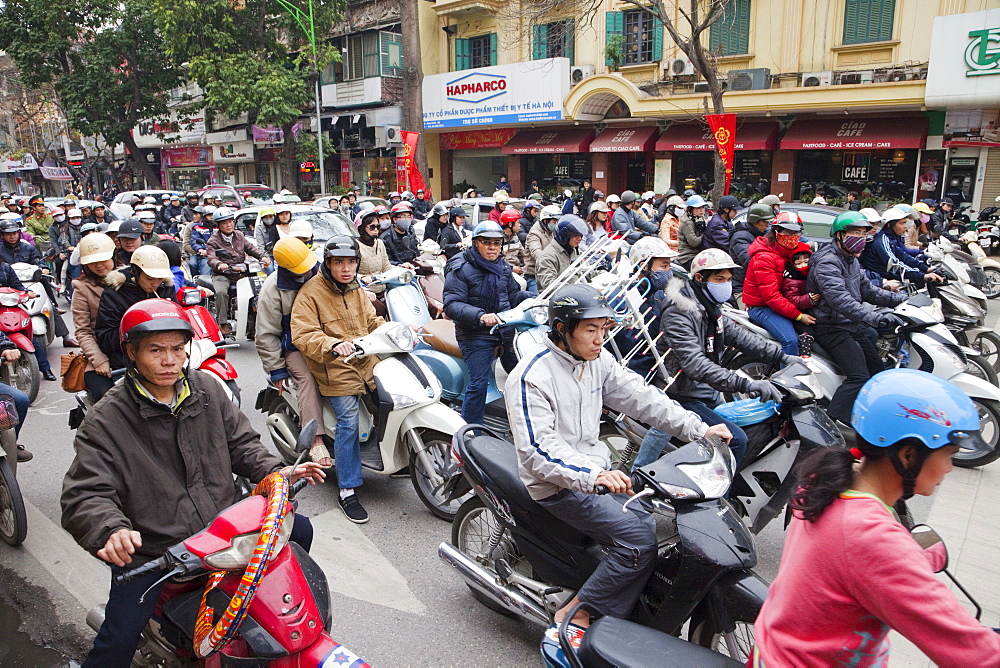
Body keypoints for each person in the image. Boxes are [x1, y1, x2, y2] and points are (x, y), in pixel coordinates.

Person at [62, 299, 323, 667]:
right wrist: (110, 529)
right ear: (132, 353)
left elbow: (243, 445)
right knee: (118, 642)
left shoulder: (207, 390)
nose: (169, 360)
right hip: (158, 551)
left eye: (176, 349)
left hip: (226, 532)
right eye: (156, 350)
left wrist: (277, 472)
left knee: (301, 533)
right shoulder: (108, 418)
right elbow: (86, 492)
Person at [507, 283, 730, 629]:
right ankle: (577, 611)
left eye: (604, 329)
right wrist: (592, 475)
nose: (600, 339)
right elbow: (539, 449)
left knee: (665, 527)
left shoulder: (598, 362)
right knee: (639, 542)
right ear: (563, 329)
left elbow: (643, 398)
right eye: (591, 330)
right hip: (560, 485)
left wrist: (698, 429)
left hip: (597, 473)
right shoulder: (531, 376)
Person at [753, 370, 1000, 667]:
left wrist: (911, 557)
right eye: (949, 455)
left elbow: (850, 561)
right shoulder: (872, 537)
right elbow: (977, 654)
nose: (949, 468)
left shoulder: (828, 479)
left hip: (773, 651)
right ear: (908, 455)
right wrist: (904, 557)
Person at [632, 249, 788, 469]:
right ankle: (643, 474)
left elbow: (738, 335)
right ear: (699, 278)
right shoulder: (680, 311)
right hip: (681, 390)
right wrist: (747, 383)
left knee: (741, 424)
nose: (725, 284)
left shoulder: (709, 306)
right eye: (719, 279)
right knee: (734, 441)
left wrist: (782, 355)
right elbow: (695, 363)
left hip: (706, 387)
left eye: (728, 279)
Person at [291, 236, 384, 523]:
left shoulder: (356, 289)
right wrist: (332, 345)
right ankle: (347, 489)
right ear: (328, 264)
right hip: (335, 368)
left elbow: (372, 321)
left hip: (366, 361)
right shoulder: (310, 293)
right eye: (339, 262)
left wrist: (391, 331)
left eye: (351, 262)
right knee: (349, 422)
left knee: (393, 403)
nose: (346, 268)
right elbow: (303, 334)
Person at [807, 211, 906, 424]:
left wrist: (901, 301)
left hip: (850, 325)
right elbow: (840, 300)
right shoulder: (827, 262)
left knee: (878, 372)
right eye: (855, 232)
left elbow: (869, 291)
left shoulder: (851, 259)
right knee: (858, 377)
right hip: (831, 327)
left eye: (863, 233)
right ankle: (827, 424)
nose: (860, 238)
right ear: (839, 235)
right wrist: (874, 318)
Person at [443, 221, 534, 425]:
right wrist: (480, 315)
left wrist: (537, 298)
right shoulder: (460, 268)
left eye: (496, 243)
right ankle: (468, 435)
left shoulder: (501, 266)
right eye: (487, 242)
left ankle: (524, 423)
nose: (492, 247)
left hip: (504, 330)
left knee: (525, 377)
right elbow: (452, 304)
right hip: (476, 334)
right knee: (478, 384)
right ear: (476, 243)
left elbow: (512, 294)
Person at [256, 237, 329, 466]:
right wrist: (276, 370)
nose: (308, 273)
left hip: (327, 338)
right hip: (294, 346)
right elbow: (266, 334)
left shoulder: (321, 271)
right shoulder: (272, 289)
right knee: (307, 379)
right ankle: (316, 440)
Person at [96, 245, 178, 374]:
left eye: (160, 278)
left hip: (168, 358)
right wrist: (138, 326)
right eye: (149, 278)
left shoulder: (165, 289)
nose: (155, 284)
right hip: (128, 362)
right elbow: (105, 339)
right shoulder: (115, 293)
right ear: (135, 271)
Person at [742, 212, 815, 355]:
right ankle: (787, 376)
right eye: (787, 232)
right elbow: (771, 296)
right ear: (776, 232)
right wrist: (799, 316)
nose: (792, 237)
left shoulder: (791, 253)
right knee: (791, 341)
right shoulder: (764, 257)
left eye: (795, 232)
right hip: (761, 307)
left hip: (783, 304)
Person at [206, 207, 270, 336]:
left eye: (230, 221)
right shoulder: (213, 240)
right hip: (222, 274)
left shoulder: (239, 235)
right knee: (221, 293)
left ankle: (253, 325)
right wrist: (219, 264)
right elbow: (211, 257)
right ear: (218, 225)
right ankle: (222, 323)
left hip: (241, 272)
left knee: (257, 292)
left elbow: (251, 248)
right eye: (224, 223)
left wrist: (262, 257)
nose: (229, 225)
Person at [71, 233, 118, 400]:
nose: (98, 265)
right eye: (92, 261)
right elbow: (83, 331)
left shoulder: (129, 279)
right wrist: (99, 360)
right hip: (101, 355)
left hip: (135, 352)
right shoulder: (81, 287)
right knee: (107, 403)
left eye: (103, 259)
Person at [862, 207, 941, 289]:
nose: (905, 227)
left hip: (886, 278)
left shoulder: (891, 240)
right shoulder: (882, 240)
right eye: (901, 223)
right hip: (879, 281)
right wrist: (922, 276)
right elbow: (894, 264)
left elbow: (904, 256)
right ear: (889, 225)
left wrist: (926, 268)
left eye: (905, 223)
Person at [730, 202, 773, 297]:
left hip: (759, 285)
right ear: (755, 220)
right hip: (741, 287)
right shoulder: (740, 237)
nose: (767, 224)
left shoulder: (764, 234)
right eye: (765, 221)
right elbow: (749, 261)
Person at [536, 215, 586, 291]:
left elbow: (586, 271)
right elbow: (549, 284)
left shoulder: (572, 251)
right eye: (575, 235)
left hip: (578, 295)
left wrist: (602, 274)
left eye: (581, 235)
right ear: (564, 235)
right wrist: (576, 289)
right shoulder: (547, 257)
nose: (579, 238)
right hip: (558, 299)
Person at [525, 205, 558, 290]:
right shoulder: (534, 233)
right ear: (546, 220)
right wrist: (551, 261)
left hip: (550, 273)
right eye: (554, 222)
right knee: (539, 301)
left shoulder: (552, 232)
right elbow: (537, 253)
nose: (556, 225)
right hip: (533, 276)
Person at [676, 194, 708, 268]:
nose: (701, 210)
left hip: (699, 255)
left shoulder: (699, 219)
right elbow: (694, 242)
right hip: (687, 257)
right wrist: (706, 234)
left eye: (702, 207)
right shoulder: (687, 222)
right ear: (691, 209)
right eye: (698, 208)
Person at [499, 208, 528, 283]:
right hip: (505, 274)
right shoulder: (498, 240)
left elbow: (523, 254)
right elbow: (498, 262)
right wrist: (511, 268)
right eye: (518, 223)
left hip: (519, 271)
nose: (520, 225)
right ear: (510, 224)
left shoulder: (515, 236)